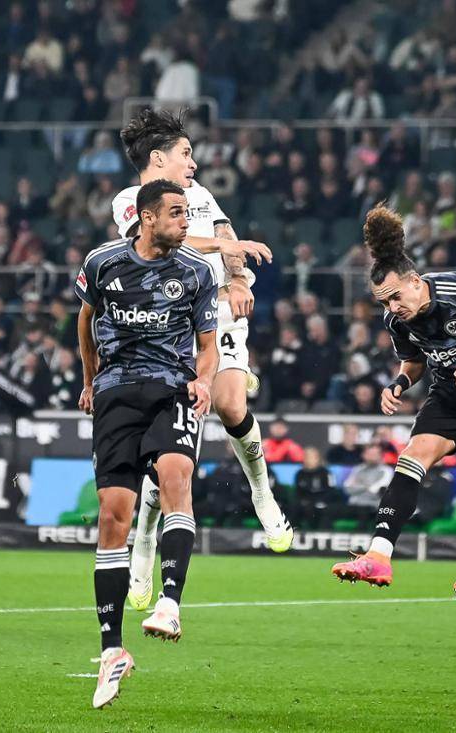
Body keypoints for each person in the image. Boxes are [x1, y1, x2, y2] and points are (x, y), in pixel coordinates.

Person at [112, 108, 292, 615]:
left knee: (232, 404)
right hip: (165, 326)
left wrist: (236, 277)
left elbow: (227, 238)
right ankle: (143, 541)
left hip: (217, 312)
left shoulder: (202, 195)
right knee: (172, 454)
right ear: (157, 159)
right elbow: (169, 241)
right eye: (186, 154)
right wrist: (227, 245)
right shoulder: (128, 201)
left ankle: (262, 493)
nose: (193, 163)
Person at [331, 206, 456, 610]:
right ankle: (378, 556)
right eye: (383, 302)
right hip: (449, 391)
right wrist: (399, 383)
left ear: (415, 281)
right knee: (411, 458)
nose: (392, 307)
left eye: (395, 297)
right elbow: (414, 361)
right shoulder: (396, 321)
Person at [77, 179, 220, 708]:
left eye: (187, 213)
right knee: (113, 515)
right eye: (177, 213)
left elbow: (208, 345)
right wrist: (89, 380)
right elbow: (85, 320)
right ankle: (112, 652)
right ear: (147, 217)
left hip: (173, 389)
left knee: (175, 475)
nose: (186, 222)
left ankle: (169, 603)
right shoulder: (102, 263)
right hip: (115, 394)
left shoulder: (196, 271)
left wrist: (204, 380)